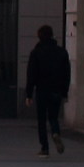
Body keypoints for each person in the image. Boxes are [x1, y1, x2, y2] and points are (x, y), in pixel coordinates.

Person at [23, 24, 71, 157]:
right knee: (54, 117)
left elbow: (31, 74)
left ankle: (44, 148)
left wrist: (28, 94)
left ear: (39, 37)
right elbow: (67, 73)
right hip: (56, 90)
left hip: (42, 90)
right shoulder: (62, 52)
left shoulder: (36, 52)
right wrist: (65, 91)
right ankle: (55, 132)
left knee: (41, 120)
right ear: (52, 35)